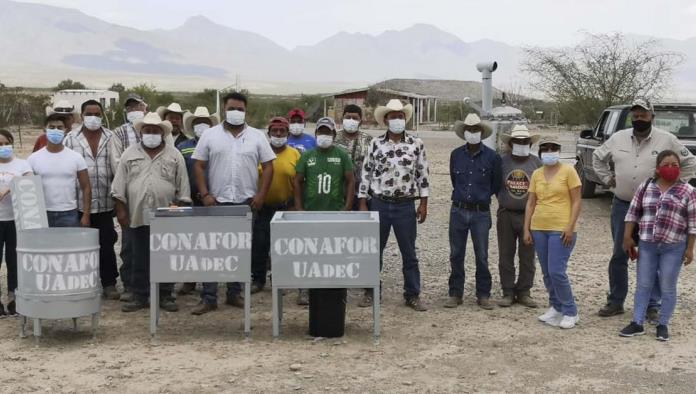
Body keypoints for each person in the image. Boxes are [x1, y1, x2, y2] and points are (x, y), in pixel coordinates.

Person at [593, 99, 696, 319]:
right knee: (620, 253)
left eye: (644, 114)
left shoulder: (667, 139)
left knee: (655, 255)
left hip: (654, 208)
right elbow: (596, 157)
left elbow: (690, 163)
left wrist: (676, 185)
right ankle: (616, 301)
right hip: (623, 204)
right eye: (636, 115)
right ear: (632, 117)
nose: (639, 118)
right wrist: (606, 179)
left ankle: (652, 305)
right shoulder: (618, 138)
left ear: (652, 116)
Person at [191, 92, 275, 314]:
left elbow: (269, 167)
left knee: (240, 250)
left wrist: (261, 195)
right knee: (212, 250)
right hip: (216, 202)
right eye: (232, 108)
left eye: (240, 109)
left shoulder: (257, 136)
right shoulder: (210, 135)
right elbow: (198, 165)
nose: (236, 112)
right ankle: (208, 297)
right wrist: (204, 193)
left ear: (246, 111)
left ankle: (234, 293)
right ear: (224, 109)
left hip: (246, 203)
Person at [112, 112, 191, 312]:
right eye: (147, 130)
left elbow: (183, 187)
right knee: (138, 256)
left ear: (162, 133)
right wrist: (121, 211)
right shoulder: (129, 154)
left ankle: (165, 294)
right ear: (141, 132)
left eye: (155, 131)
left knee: (165, 255)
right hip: (136, 215)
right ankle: (140, 295)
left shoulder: (174, 155)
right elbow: (118, 187)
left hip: (167, 217)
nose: (151, 134)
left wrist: (180, 207)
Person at [358, 99, 429, 311]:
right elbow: (366, 173)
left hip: (405, 205)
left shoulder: (417, 144)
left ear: (405, 118)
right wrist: (362, 202)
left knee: (409, 252)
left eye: (400, 116)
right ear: (386, 119)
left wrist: (423, 204)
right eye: (393, 116)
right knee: (374, 250)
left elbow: (423, 175)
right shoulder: (375, 144)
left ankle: (412, 294)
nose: (397, 119)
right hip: (379, 203)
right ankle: (371, 291)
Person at [620, 150, 696, 342]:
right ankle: (637, 322)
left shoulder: (688, 191)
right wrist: (627, 236)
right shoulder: (646, 187)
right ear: (657, 168)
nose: (671, 168)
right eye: (666, 164)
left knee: (667, 286)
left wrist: (690, 248)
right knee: (643, 284)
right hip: (647, 245)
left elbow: (693, 223)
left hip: (674, 246)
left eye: (675, 165)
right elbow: (633, 213)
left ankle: (663, 324)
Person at [63, 99, 121, 300]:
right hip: (79, 203)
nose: (93, 118)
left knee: (106, 244)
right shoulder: (70, 139)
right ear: (82, 115)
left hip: (106, 202)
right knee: (80, 246)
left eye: (97, 114)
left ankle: (109, 283)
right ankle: (83, 284)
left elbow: (118, 167)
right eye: (89, 113)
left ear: (102, 115)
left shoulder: (111, 137)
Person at [294, 117, 355, 306]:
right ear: (316, 134)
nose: (324, 136)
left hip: (335, 212)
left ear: (334, 135)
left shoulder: (342, 155)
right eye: (321, 132)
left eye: (327, 132)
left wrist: (347, 207)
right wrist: (299, 207)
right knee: (309, 251)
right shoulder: (307, 156)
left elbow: (351, 180)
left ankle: (334, 287)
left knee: (333, 250)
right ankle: (305, 289)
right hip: (311, 212)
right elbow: (297, 181)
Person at [444, 114, 502, 310]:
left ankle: (483, 294)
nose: (473, 133)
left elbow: (495, 185)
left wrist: (481, 196)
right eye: (469, 130)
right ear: (464, 133)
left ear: (482, 133)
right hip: (458, 210)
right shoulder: (455, 155)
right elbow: (454, 179)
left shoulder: (493, 157)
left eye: (476, 130)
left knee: (482, 255)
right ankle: (455, 293)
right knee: (456, 253)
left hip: (481, 213)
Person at [524, 136, 582, 329]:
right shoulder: (537, 174)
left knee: (557, 271)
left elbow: (576, 201)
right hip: (539, 226)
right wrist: (527, 228)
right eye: (546, 149)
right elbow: (531, 202)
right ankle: (556, 306)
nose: (550, 152)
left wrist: (570, 226)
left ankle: (570, 310)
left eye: (553, 148)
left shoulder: (569, 171)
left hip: (561, 227)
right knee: (547, 272)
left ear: (559, 150)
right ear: (540, 152)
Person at [246, 116, 299, 297]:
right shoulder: (259, 152)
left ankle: (280, 279)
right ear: (268, 134)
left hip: (285, 208)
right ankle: (258, 279)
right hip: (262, 207)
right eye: (274, 131)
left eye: (282, 131)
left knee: (282, 246)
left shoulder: (295, 154)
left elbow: (300, 182)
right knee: (260, 245)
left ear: (287, 133)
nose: (278, 134)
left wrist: (297, 206)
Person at [496, 125, 542, 308]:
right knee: (505, 255)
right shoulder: (501, 161)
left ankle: (524, 291)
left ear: (530, 143)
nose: (521, 144)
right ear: (511, 143)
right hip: (506, 214)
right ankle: (507, 291)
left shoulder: (537, 163)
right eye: (518, 141)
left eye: (525, 141)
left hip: (529, 215)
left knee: (528, 255)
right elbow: (495, 184)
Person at [176, 106, 219, 296]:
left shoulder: (218, 144)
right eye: (197, 123)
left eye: (205, 122)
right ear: (192, 126)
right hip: (191, 200)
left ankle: (215, 280)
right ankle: (190, 279)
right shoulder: (182, 148)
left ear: (211, 125)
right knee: (191, 243)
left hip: (214, 200)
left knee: (213, 243)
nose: (201, 125)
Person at [112, 93, 147, 302]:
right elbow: (117, 164)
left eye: (137, 106)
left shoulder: (155, 130)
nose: (134, 110)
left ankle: (154, 285)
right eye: (130, 107)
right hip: (129, 195)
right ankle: (130, 284)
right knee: (129, 244)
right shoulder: (119, 133)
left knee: (152, 242)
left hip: (153, 195)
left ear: (145, 108)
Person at [28, 113, 91, 228]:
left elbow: (86, 187)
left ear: (66, 130)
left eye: (59, 127)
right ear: (45, 129)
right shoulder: (33, 159)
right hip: (42, 213)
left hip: (69, 213)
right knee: (45, 245)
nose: (55, 130)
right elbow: (27, 188)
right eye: (51, 127)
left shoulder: (76, 157)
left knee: (68, 246)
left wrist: (86, 215)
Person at [0, 129, 33, 316]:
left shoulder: (22, 164)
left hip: (16, 220)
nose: (3, 147)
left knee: (15, 260)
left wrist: (10, 187)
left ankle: (14, 297)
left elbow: (30, 181)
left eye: (6, 143)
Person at [335, 104, 372, 211]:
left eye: (355, 118)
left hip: (362, 195)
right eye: (348, 117)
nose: (351, 120)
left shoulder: (368, 140)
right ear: (342, 119)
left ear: (360, 120)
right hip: (338, 194)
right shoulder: (334, 138)